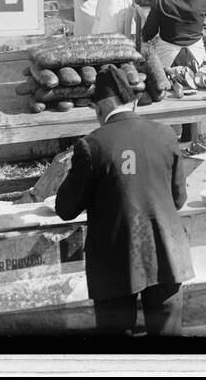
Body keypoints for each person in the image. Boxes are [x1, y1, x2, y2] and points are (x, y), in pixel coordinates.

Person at [54, 64, 194, 336]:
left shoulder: (91, 145)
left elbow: (66, 209)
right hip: (166, 251)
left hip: (115, 259)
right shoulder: (166, 134)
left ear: (100, 108)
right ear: (133, 101)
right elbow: (178, 199)